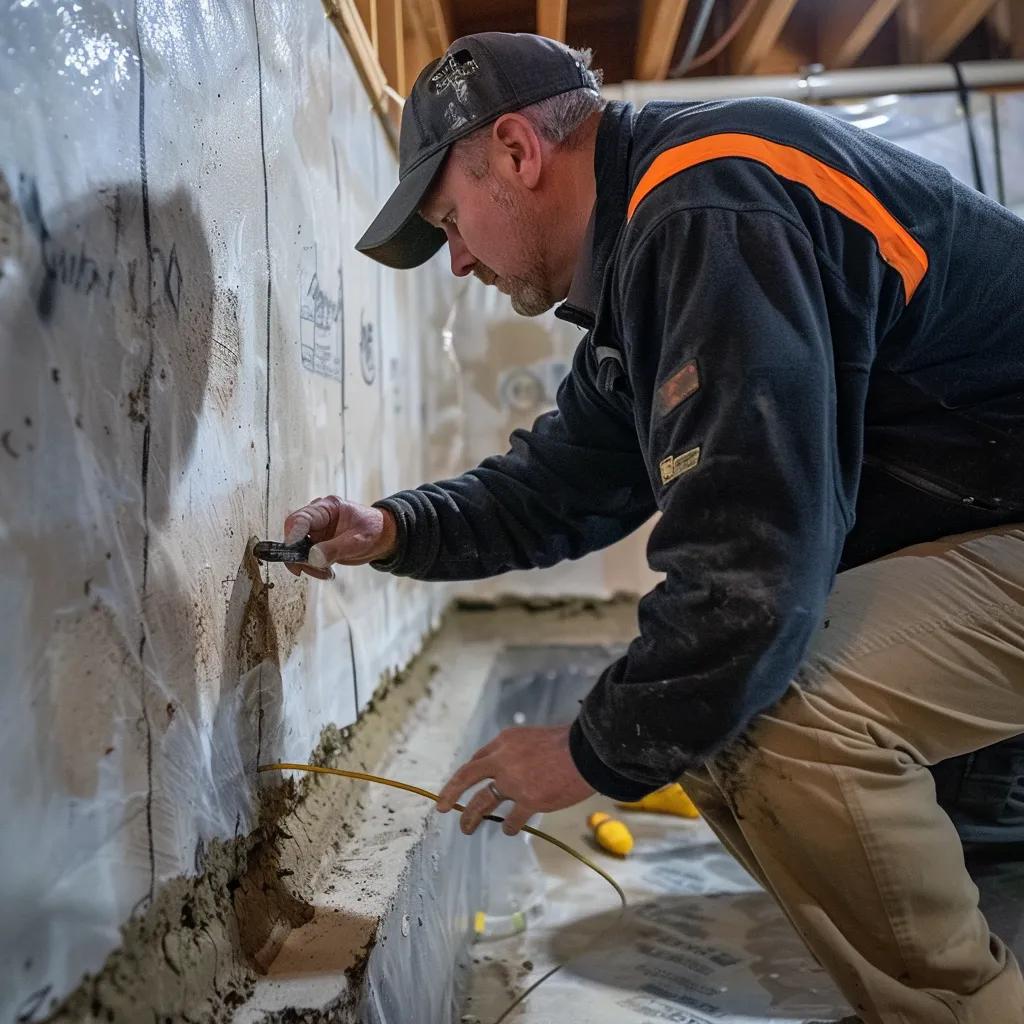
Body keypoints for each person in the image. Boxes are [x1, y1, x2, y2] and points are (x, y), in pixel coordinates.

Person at [284, 32, 1024, 1024]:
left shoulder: (708, 202)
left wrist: (583, 751)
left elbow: (751, 574)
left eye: (450, 219)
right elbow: (560, 484)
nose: (457, 260)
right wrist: (391, 528)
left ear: (515, 151)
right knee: (711, 715)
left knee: (770, 712)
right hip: (983, 526)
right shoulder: (654, 255)